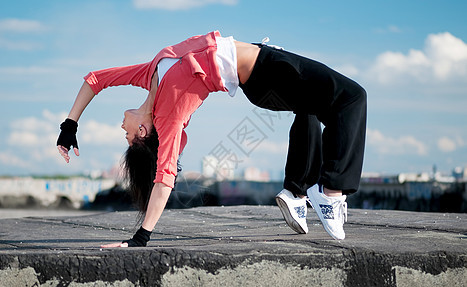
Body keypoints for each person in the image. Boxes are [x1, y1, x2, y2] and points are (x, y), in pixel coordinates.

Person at [56, 30, 366, 247]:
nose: (121, 130)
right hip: (263, 72)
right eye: (126, 137)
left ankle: (296, 194)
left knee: (310, 105)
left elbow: (96, 79)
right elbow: (164, 179)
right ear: (142, 133)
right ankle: (331, 191)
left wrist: (69, 126)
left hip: (265, 61)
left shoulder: (148, 75)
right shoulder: (169, 115)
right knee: (352, 98)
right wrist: (141, 237)